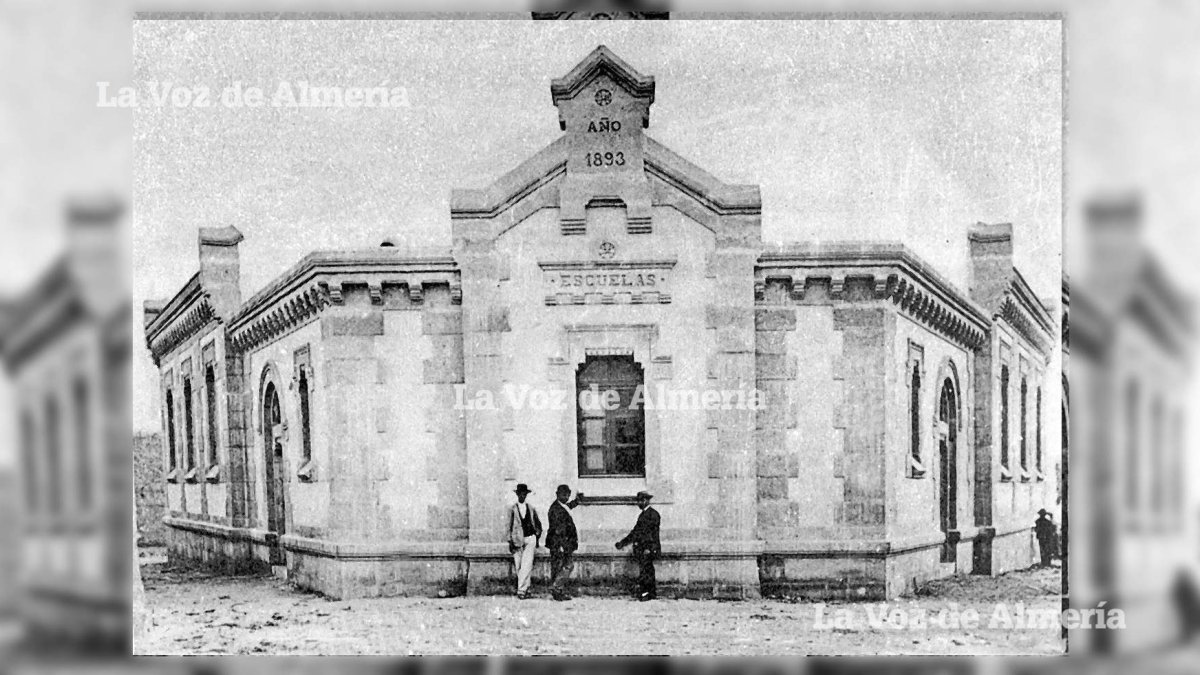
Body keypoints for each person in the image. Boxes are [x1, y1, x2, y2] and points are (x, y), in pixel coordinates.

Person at [615, 491, 660, 601]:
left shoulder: (653, 514)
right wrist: (622, 543)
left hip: (647, 549)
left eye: (640, 501)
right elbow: (635, 532)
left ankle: (647, 593)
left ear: (645, 501)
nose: (638, 503)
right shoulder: (643, 515)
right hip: (643, 549)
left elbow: (653, 534)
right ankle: (649, 593)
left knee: (647, 571)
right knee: (645, 570)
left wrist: (649, 548)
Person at [546, 484, 584, 601]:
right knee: (566, 565)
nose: (566, 497)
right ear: (557, 495)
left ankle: (558, 591)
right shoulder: (556, 509)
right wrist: (561, 545)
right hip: (560, 543)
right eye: (563, 495)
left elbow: (568, 506)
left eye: (567, 495)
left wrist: (577, 501)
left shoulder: (560, 506)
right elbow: (558, 530)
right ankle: (556, 588)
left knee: (559, 567)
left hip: (561, 543)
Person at [507, 483, 542, 599]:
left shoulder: (531, 508)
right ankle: (525, 589)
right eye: (520, 494)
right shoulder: (512, 509)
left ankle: (521, 591)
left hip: (530, 538)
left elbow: (537, 523)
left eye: (524, 494)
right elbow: (508, 526)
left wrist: (537, 535)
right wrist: (510, 541)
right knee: (519, 566)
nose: (522, 496)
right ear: (517, 494)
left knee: (526, 565)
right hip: (517, 540)